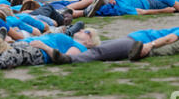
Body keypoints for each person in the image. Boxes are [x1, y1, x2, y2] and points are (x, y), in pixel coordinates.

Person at [0, 27, 100, 71]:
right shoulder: (72, 40)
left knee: (14, 54)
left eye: (87, 32)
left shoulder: (79, 47)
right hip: (27, 44)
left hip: (40, 52)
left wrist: (44, 46)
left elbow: (65, 59)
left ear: (90, 42)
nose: (82, 30)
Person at [51, 27, 179, 65]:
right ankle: (69, 53)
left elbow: (170, 39)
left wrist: (150, 45)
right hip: (131, 40)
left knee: (100, 51)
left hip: (134, 43)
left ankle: (68, 59)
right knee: (95, 46)